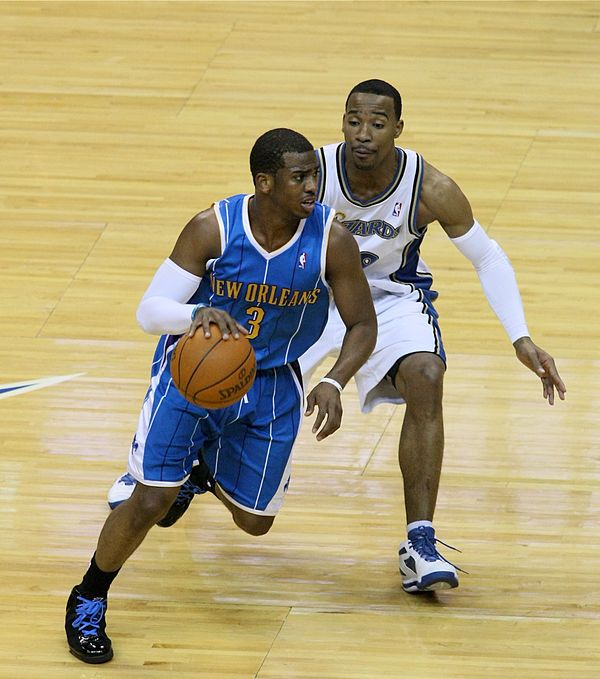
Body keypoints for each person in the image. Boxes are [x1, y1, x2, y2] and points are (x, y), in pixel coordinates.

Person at [109, 80, 567, 594]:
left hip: (387, 298)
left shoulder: (430, 187)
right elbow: (250, 222)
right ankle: (172, 464)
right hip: (305, 296)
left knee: (426, 375)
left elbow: (488, 257)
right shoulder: (308, 173)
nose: (363, 134)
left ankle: (419, 542)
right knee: (229, 368)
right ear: (342, 122)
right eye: (354, 121)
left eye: (376, 123)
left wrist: (520, 337)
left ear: (398, 127)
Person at [65, 127, 377, 664]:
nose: (312, 187)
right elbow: (148, 311)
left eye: (315, 176)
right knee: (149, 500)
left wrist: (333, 380)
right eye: (300, 177)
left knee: (256, 523)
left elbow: (362, 324)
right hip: (191, 377)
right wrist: (195, 314)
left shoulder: (333, 240)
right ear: (264, 182)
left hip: (272, 382)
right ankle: (89, 595)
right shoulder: (213, 227)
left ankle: (200, 471)